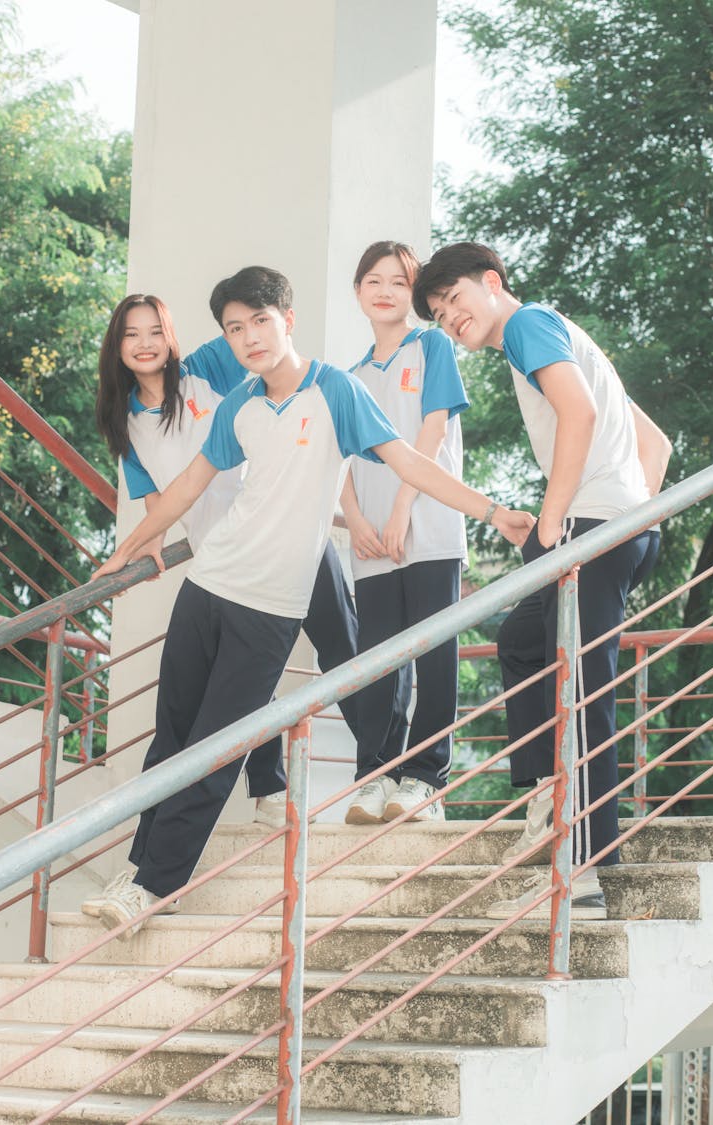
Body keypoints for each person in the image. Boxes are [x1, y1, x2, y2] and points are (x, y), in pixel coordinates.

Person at [87, 265, 535, 939]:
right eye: (234, 329)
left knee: (213, 749)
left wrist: (492, 509)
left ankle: (155, 885)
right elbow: (182, 491)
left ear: (286, 319)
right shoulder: (237, 404)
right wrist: (125, 553)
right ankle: (139, 867)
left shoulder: (336, 392)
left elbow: (409, 461)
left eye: (258, 322)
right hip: (208, 585)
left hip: (271, 606)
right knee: (171, 738)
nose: (248, 338)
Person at [413, 241, 671, 920]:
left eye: (455, 301)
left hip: (589, 527)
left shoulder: (528, 325)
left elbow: (579, 415)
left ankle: (581, 876)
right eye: (439, 316)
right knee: (524, 644)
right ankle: (545, 806)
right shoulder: (561, 336)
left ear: (492, 283)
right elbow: (658, 443)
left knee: (581, 693)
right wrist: (636, 517)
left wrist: (556, 522)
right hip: (613, 524)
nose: (450, 320)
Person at [91, 294, 359, 839]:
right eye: (131, 335)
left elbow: (272, 357)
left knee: (346, 653)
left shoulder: (209, 367)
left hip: (289, 540)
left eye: (154, 332)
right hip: (223, 564)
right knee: (234, 686)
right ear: (116, 348)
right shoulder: (124, 421)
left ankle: (388, 770)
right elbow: (159, 498)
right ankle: (270, 788)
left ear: (170, 338)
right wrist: (144, 547)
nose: (145, 345)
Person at [340, 241, 469, 826]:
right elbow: (336, 463)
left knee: (435, 658)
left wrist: (398, 510)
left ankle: (424, 780)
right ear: (359, 291)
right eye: (374, 280)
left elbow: (433, 432)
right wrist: (360, 521)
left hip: (430, 528)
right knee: (378, 665)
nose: (385, 290)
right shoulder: (350, 377)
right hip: (371, 542)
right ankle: (376, 777)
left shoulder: (433, 344)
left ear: (412, 293)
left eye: (398, 280)